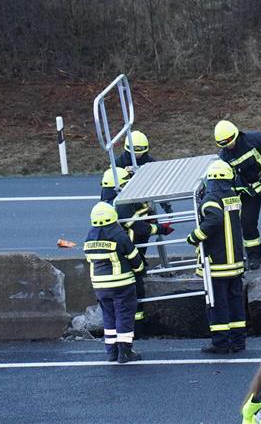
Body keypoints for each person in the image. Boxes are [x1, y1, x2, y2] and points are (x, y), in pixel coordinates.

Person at [100, 167, 174, 331]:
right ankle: (136, 328)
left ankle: (123, 328)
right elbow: (138, 227)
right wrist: (161, 229)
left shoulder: (104, 205)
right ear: (119, 186)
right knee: (135, 287)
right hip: (126, 255)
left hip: (109, 262)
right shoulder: (121, 204)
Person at [186, 160, 246, 354]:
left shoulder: (211, 199)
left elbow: (214, 220)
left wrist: (194, 237)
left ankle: (220, 343)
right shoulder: (233, 197)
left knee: (217, 303)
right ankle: (238, 341)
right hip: (235, 262)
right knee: (235, 302)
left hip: (217, 264)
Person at [214, 120, 261, 270]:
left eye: (230, 142)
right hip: (249, 190)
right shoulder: (224, 156)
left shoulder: (254, 139)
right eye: (224, 145)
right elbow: (229, 178)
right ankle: (254, 257)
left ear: (235, 135)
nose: (229, 146)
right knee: (247, 223)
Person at [83, 202, 144, 363]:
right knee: (124, 316)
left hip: (100, 286)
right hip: (121, 284)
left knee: (109, 317)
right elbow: (134, 258)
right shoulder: (118, 234)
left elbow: (89, 258)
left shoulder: (90, 236)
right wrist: (139, 270)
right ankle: (125, 353)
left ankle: (112, 352)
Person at [116, 130, 173, 214]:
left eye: (140, 153)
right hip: (126, 200)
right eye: (134, 153)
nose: (137, 155)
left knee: (151, 217)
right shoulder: (118, 164)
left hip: (146, 198)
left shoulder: (150, 162)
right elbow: (109, 186)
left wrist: (166, 206)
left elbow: (159, 184)